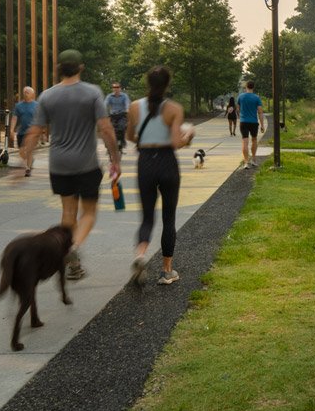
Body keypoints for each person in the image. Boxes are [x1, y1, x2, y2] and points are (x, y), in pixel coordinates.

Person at [23, 50, 119, 281]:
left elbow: (35, 131)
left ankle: (68, 254)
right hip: (86, 163)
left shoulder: (46, 96)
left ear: (59, 69)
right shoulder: (92, 92)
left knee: (68, 211)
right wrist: (115, 158)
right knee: (89, 212)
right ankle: (73, 248)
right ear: (81, 67)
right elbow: (106, 129)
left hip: (59, 164)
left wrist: (22, 162)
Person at [127, 66, 194, 288]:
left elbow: (129, 136)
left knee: (147, 217)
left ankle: (141, 254)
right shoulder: (174, 108)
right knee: (169, 217)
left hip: (145, 160)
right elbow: (176, 142)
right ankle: (167, 270)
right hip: (167, 162)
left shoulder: (135, 106)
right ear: (167, 84)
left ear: (147, 82)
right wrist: (189, 135)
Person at [11, 86, 40, 176]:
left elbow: (40, 119)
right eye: (24, 92)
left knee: (29, 151)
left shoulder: (37, 105)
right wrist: (11, 130)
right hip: (21, 132)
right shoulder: (18, 106)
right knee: (21, 151)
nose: (25, 93)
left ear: (32, 94)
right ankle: (29, 160)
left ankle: (28, 169)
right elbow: (14, 118)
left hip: (32, 132)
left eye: (27, 92)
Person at [235, 80, 263, 165]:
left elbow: (238, 109)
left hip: (244, 122)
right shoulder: (256, 98)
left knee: (245, 141)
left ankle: (246, 161)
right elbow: (260, 112)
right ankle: (253, 159)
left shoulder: (240, 97)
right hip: (254, 122)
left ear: (246, 87)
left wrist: (240, 116)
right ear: (253, 87)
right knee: (254, 140)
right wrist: (262, 125)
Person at [105, 83, 131, 149]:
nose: (116, 89)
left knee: (122, 127)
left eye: (117, 87)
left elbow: (127, 103)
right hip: (112, 115)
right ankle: (109, 142)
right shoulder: (109, 96)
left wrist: (127, 109)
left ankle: (122, 140)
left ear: (120, 88)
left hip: (121, 115)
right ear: (112, 88)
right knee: (109, 128)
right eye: (114, 87)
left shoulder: (124, 96)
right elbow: (105, 104)